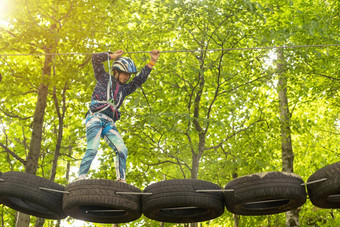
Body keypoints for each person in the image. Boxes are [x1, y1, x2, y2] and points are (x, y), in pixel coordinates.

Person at [78, 49, 160, 182]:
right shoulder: (104, 78)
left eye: (128, 75)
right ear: (116, 70)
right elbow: (95, 58)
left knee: (122, 150)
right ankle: (80, 178)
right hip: (95, 117)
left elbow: (139, 80)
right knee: (92, 149)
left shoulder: (125, 89)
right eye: (124, 73)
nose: (127, 77)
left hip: (109, 122)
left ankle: (121, 180)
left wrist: (152, 62)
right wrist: (112, 56)